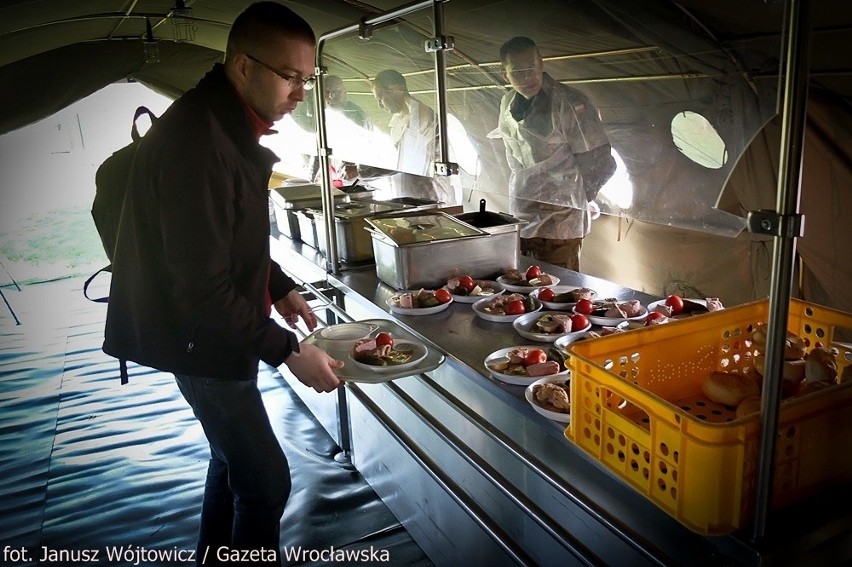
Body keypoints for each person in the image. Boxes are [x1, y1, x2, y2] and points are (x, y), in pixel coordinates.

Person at [103, 3, 344, 564]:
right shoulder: (200, 144)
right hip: (199, 337)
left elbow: (226, 236)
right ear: (242, 66)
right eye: (290, 77)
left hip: (209, 331)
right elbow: (202, 290)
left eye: (307, 80)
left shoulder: (223, 123)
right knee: (265, 483)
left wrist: (278, 282)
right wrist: (288, 351)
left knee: (231, 461)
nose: (300, 94)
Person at [497, 36, 616, 272]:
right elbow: (512, 154)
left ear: (541, 63)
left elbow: (600, 160)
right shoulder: (508, 102)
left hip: (561, 219)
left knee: (559, 287)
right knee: (525, 281)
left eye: (531, 68)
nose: (527, 78)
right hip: (524, 210)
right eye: (517, 72)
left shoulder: (570, 103)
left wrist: (574, 199)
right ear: (505, 74)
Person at [344, 69, 458, 205]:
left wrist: (359, 171)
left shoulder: (419, 118)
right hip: (411, 196)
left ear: (395, 89)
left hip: (430, 197)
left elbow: (401, 160)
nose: (380, 106)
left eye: (380, 98)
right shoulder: (400, 118)